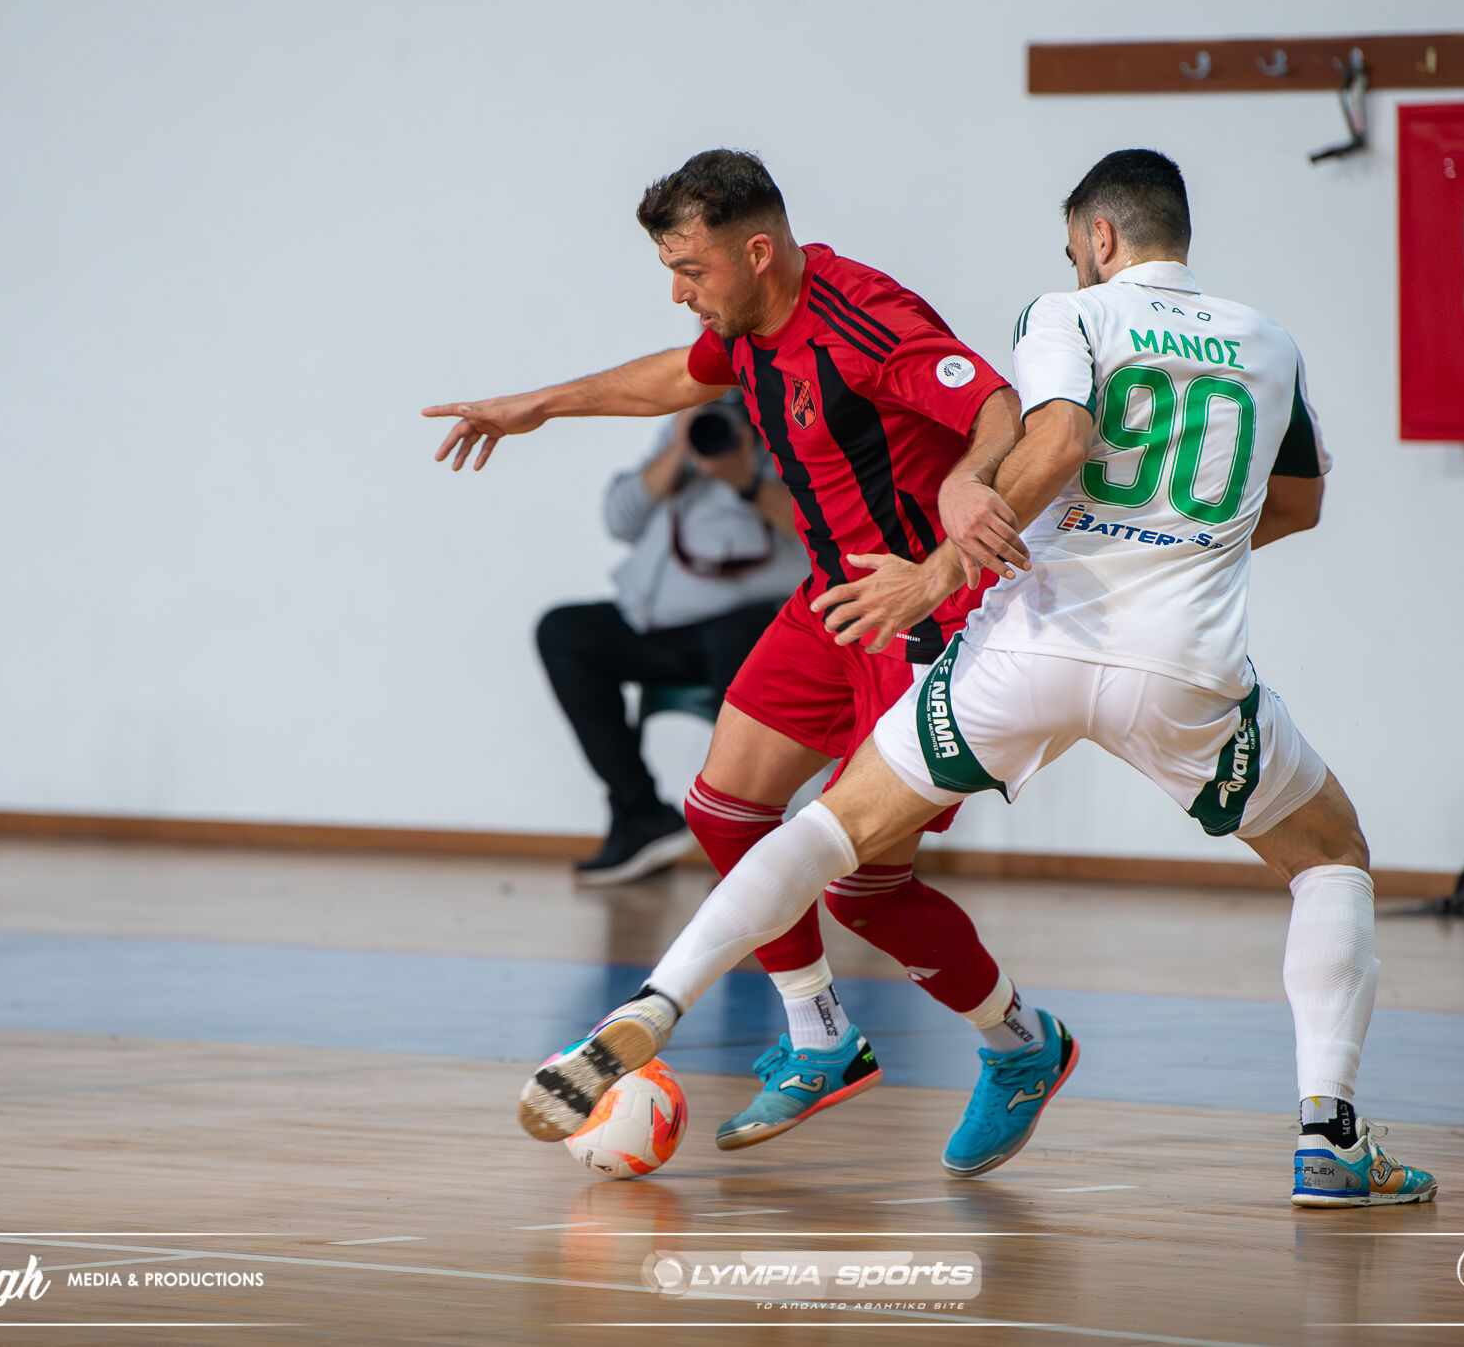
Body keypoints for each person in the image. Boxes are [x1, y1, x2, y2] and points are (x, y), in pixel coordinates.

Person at [519, 150, 1439, 1206]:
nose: (679, 290)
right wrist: (1178, 547)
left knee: (837, 851)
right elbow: (1295, 504)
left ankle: (685, 1005)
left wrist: (944, 557)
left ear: (1095, 240)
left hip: (998, 630)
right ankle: (1326, 1134)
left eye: (687, 268)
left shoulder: (1058, 314)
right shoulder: (1270, 343)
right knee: (1329, 857)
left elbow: (1046, 428)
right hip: (1166, 660)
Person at [426, 150, 1043, 1153]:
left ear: (757, 252)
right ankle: (820, 1035)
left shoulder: (864, 315)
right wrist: (536, 405)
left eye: (692, 270)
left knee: (861, 887)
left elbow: (995, 407)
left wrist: (969, 486)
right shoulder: (747, 323)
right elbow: (673, 378)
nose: (679, 292)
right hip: (826, 603)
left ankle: (1019, 1044)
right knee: (721, 809)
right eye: (668, 270)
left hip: (920, 615)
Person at [537, 394, 808, 885]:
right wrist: (680, 450)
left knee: (741, 633)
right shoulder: (681, 435)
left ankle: (751, 838)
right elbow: (619, 521)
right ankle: (640, 816)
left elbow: (820, 534)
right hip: (657, 628)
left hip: (749, 635)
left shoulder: (792, 441)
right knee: (563, 630)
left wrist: (745, 479)